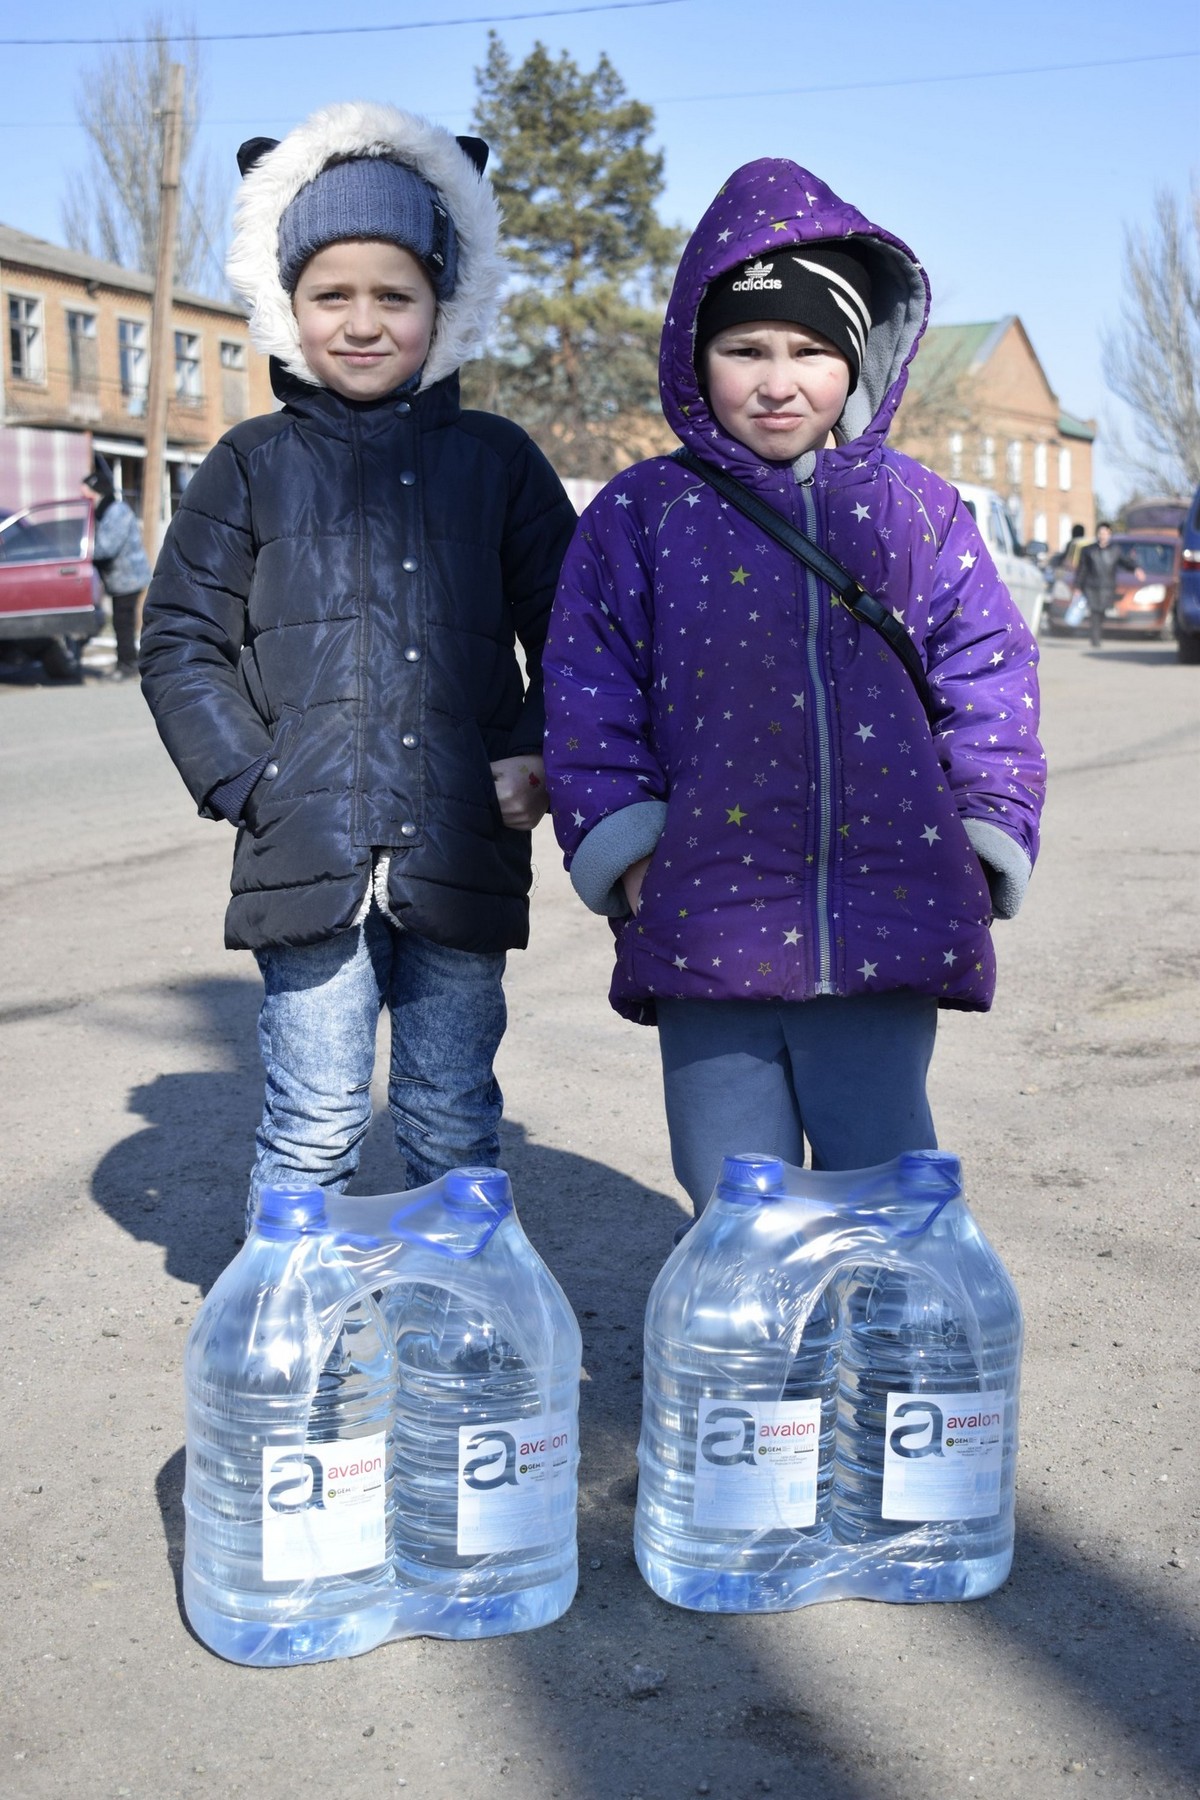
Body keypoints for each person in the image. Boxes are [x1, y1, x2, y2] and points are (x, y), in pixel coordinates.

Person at [544, 159, 1046, 1227]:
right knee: (736, 1199)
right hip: (708, 917)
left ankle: (885, 1384)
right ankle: (764, 1389)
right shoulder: (642, 515)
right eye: (747, 348)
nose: (779, 381)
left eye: (813, 349)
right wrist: (631, 855)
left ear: (857, 360)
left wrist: (987, 827)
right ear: (696, 352)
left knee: (885, 1190)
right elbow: (589, 692)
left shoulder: (920, 513)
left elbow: (989, 673)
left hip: (888, 914)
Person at [140, 102, 576, 1220]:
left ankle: (459, 1340)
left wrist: (534, 758)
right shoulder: (249, 466)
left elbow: (578, 636)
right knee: (314, 1114)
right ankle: (293, 1346)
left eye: (396, 295)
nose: (365, 322)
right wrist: (250, 779)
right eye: (334, 295)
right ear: (288, 305)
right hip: (308, 856)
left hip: (462, 848)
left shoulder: (499, 464)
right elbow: (180, 640)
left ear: (446, 303)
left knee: (447, 1111)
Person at [83, 455, 152, 680]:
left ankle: (128, 665)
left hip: (128, 579)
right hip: (119, 579)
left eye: (88, 494)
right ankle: (128, 660)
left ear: (97, 492)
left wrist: (85, 551)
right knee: (123, 621)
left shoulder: (116, 512)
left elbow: (107, 547)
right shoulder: (104, 511)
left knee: (123, 622)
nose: (86, 499)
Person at [1076, 521, 1142, 648]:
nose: (1103, 535)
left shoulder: (1115, 550)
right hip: (1092, 586)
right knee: (1094, 612)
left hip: (1107, 587)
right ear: (1097, 534)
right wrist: (1078, 586)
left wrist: (1136, 569)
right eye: (1100, 533)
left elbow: (1125, 562)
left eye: (1105, 533)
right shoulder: (1088, 551)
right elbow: (1082, 569)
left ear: (1109, 534)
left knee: (1102, 612)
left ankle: (1097, 635)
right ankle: (1095, 639)